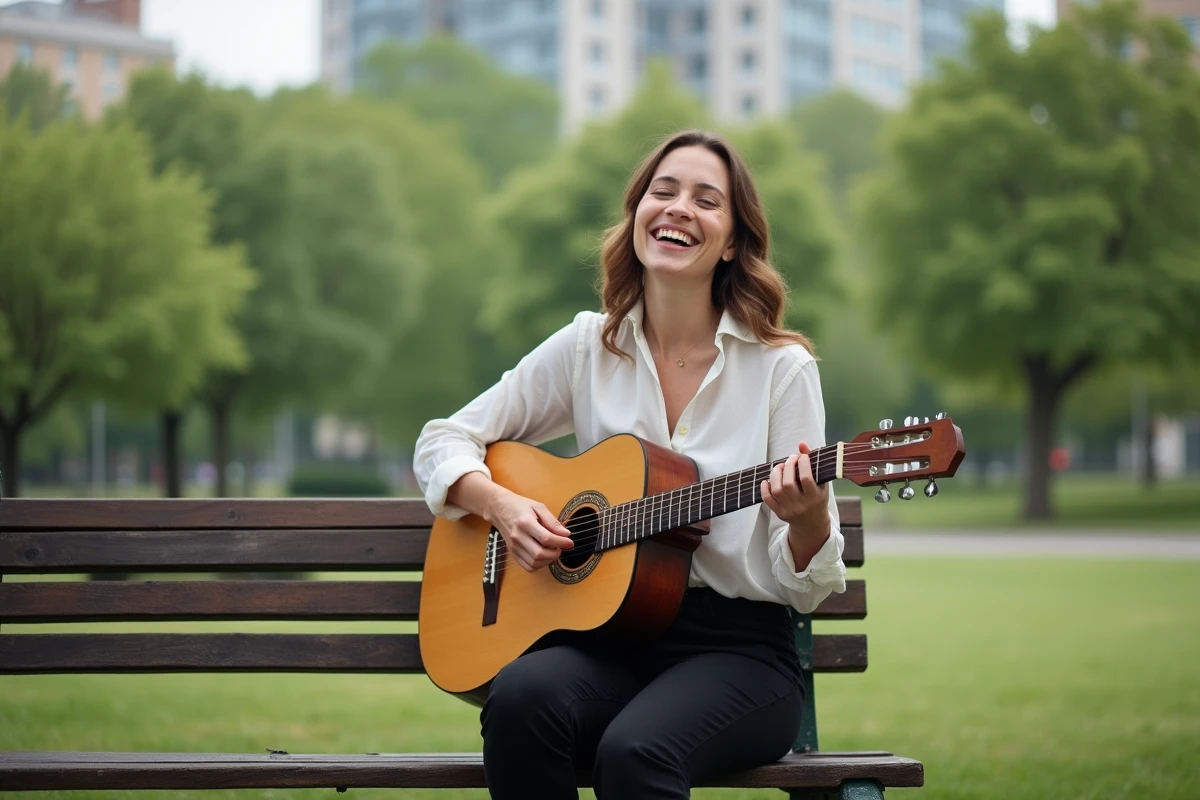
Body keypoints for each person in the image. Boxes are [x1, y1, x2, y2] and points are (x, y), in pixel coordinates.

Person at [413, 129, 847, 799]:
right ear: (637, 214)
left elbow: (805, 592)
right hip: (608, 639)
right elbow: (444, 437)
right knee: (521, 700)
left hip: (739, 654)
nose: (677, 208)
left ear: (732, 241)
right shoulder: (591, 346)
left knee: (635, 753)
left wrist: (810, 519)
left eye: (707, 201)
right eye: (662, 191)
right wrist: (500, 505)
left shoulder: (781, 370)